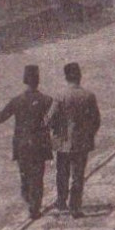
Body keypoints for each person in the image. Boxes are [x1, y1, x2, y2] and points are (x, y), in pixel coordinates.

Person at [0, 65, 53, 219]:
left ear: (25, 80)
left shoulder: (17, 101)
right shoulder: (47, 100)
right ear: (38, 81)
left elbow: (0, 117)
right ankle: (34, 207)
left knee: (25, 176)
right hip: (39, 145)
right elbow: (56, 120)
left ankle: (29, 200)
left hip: (22, 145)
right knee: (37, 177)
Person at [48, 62, 100, 218]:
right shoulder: (89, 96)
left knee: (62, 173)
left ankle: (61, 201)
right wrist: (88, 134)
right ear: (80, 76)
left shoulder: (60, 96)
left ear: (66, 77)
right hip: (81, 142)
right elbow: (96, 120)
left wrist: (56, 131)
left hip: (63, 142)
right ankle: (75, 206)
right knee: (78, 175)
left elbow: (50, 118)